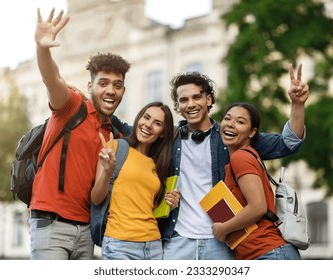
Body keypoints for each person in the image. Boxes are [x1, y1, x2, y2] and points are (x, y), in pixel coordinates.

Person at [160, 64, 308, 260]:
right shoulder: (169, 139)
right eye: (184, 100)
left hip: (222, 240)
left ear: (208, 99)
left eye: (197, 97)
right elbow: (137, 132)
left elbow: (288, 143)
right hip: (178, 240)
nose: (191, 104)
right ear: (178, 106)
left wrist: (297, 104)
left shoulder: (232, 136)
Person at [29, 8, 131, 259]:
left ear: (123, 91)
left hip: (86, 231)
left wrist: (107, 172)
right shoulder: (71, 106)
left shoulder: (115, 134)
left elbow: (98, 194)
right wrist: (42, 48)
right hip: (51, 224)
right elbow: (51, 78)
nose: (111, 90)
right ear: (90, 86)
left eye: (117, 85)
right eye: (103, 83)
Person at [213, 102, 303, 260]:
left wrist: (223, 229)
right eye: (227, 119)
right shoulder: (244, 156)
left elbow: (258, 207)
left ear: (252, 132)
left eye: (240, 122)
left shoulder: (240, 157)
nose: (231, 125)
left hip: (268, 253)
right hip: (266, 253)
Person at [91, 102, 180, 260]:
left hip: (153, 245)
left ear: (162, 133)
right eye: (146, 117)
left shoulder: (159, 166)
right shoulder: (116, 148)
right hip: (119, 244)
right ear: (139, 118)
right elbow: (96, 198)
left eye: (157, 123)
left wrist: (170, 203)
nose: (148, 125)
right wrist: (107, 171)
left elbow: (147, 206)